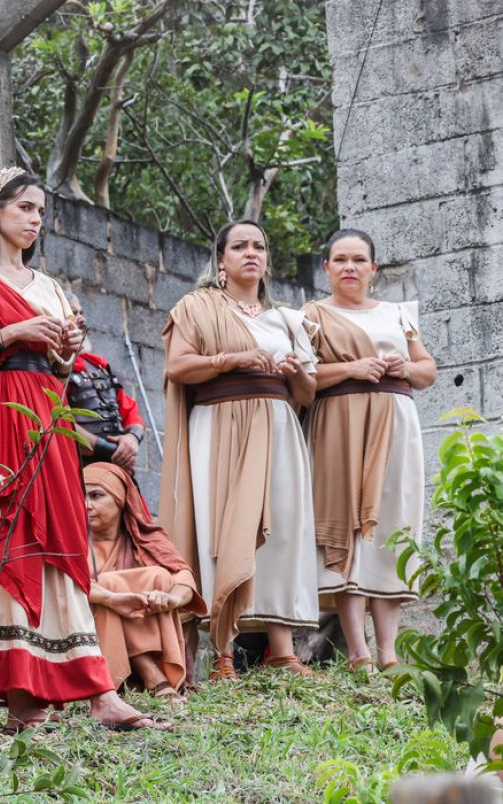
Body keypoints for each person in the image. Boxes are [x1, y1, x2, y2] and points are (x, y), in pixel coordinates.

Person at [0, 167, 168, 733]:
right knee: (7, 538)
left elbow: (62, 368)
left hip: (48, 417)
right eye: (24, 208)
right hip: (0, 411)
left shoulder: (51, 286)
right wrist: (15, 334)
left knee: (59, 538)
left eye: (39, 211)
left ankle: (97, 691)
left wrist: (65, 349)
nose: (33, 219)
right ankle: (20, 695)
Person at [160, 220, 320, 682]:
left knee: (283, 530)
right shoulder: (197, 306)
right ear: (221, 259)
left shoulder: (288, 319)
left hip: (277, 426)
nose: (252, 252)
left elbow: (307, 392)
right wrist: (234, 359)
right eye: (240, 246)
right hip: (220, 423)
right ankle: (223, 653)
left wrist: (294, 371)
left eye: (260, 246)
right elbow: (179, 365)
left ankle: (284, 651)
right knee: (221, 528)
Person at [303, 229, 436, 672]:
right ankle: (357, 651)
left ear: (374, 268)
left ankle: (389, 653)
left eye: (359, 260)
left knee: (392, 525)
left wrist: (406, 365)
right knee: (350, 529)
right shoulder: (312, 314)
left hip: (396, 424)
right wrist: (351, 368)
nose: (350, 267)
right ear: (326, 267)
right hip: (340, 423)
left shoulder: (398, 314)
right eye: (340, 260)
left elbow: (428, 371)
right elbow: (303, 379)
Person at [84, 462, 204, 701]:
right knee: (109, 584)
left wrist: (170, 598)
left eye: (96, 495)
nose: (87, 505)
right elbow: (64, 588)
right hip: (93, 642)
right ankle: (154, 677)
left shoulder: (147, 539)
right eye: (80, 496)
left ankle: (151, 672)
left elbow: (184, 577)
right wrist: (113, 598)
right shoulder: (70, 545)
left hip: (145, 627)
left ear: (119, 499)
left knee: (158, 576)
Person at [64, 292, 147, 472]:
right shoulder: (53, 368)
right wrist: (113, 451)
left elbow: (130, 411)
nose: (82, 319)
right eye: (74, 313)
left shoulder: (97, 365)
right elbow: (61, 425)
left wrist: (131, 439)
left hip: (117, 468)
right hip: (80, 470)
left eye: (81, 312)